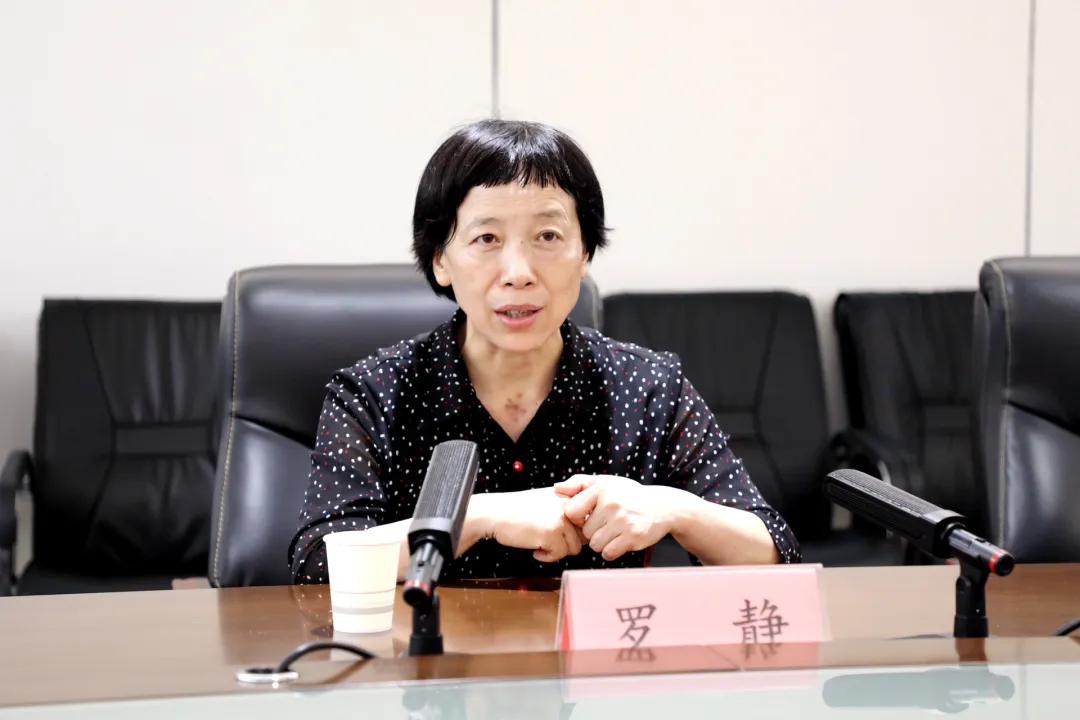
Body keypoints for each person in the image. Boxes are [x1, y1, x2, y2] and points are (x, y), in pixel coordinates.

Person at [289, 120, 799, 583]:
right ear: (441, 259)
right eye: (487, 238)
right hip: (429, 652)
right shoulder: (374, 393)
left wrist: (674, 509)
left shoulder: (646, 387)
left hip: (597, 656)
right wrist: (479, 517)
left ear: (585, 253)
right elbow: (317, 562)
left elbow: (776, 551)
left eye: (548, 235)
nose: (519, 272)